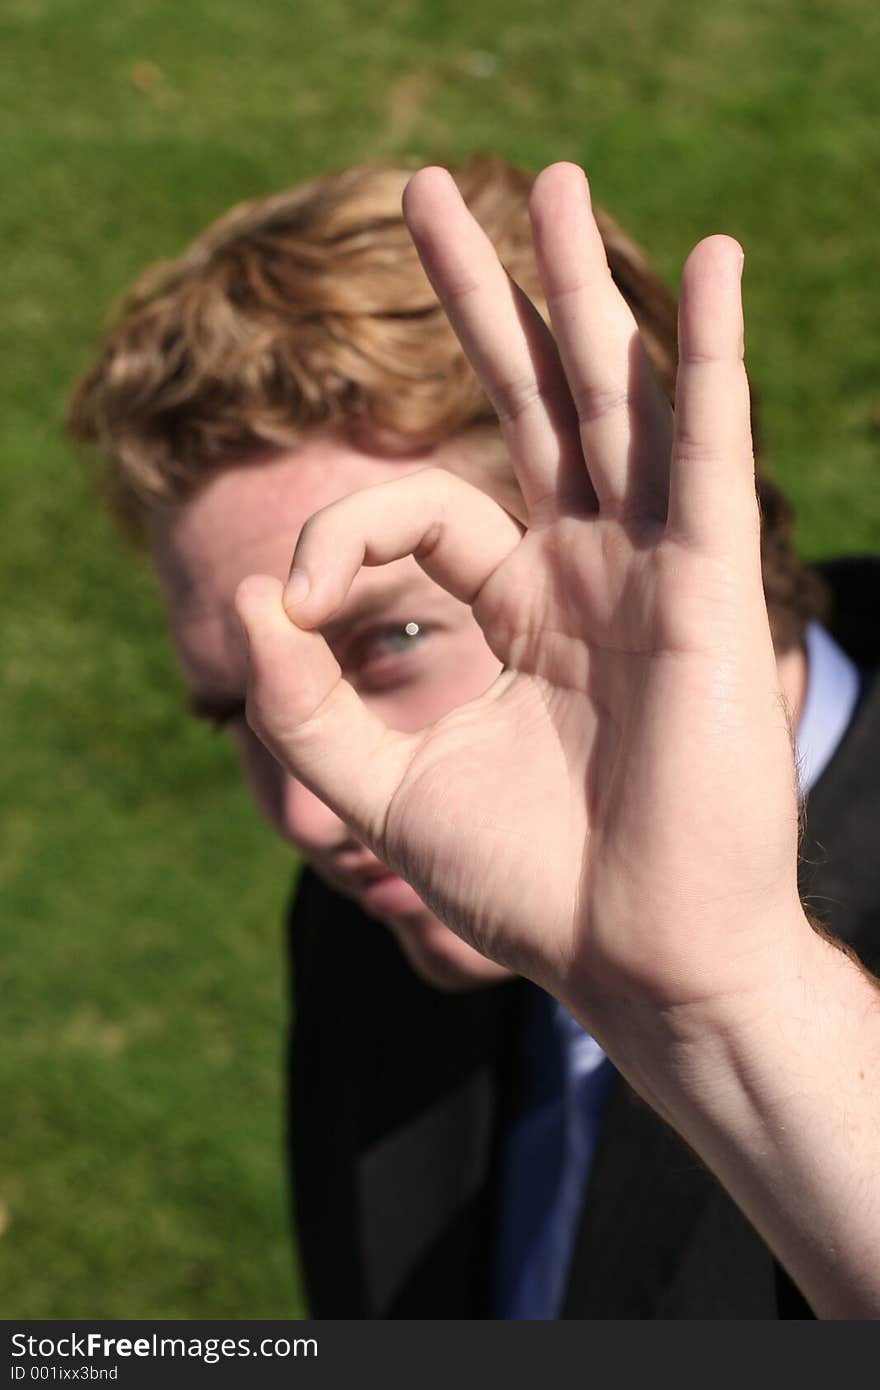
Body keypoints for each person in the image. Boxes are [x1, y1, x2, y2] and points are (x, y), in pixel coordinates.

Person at [67, 159, 879, 1319]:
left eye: (392, 636)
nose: (307, 814)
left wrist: (735, 1001)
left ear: (645, 515)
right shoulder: (385, 917)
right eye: (235, 711)